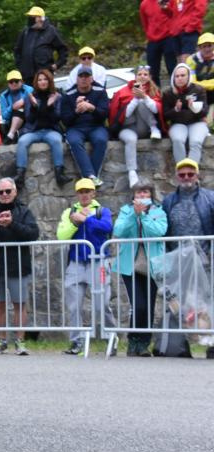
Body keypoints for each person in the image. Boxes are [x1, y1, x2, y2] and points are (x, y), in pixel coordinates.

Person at [0, 177, 39, 355]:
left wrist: (12, 224)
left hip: (18, 266)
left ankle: (20, 342)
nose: (4, 195)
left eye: (7, 191)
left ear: (15, 192)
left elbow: (33, 234)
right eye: (0, 192)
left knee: (19, 304)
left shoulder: (24, 211)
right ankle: (2, 341)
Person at [56, 178, 116, 355]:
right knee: (74, 306)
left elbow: (107, 227)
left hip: (98, 263)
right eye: (81, 192)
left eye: (87, 191)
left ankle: (110, 338)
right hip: (76, 264)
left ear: (93, 193)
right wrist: (75, 222)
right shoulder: (69, 211)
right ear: (77, 194)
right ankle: (76, 341)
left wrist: (86, 219)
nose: (84, 195)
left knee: (102, 304)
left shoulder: (102, 211)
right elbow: (61, 235)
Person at [112, 183, 168, 356]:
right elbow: (119, 231)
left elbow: (158, 231)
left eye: (145, 191)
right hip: (131, 265)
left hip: (152, 265)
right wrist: (133, 215)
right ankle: (133, 340)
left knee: (149, 306)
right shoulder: (126, 211)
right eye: (139, 192)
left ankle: (144, 343)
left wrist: (143, 215)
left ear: (151, 194)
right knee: (139, 305)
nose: (142, 194)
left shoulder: (159, 211)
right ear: (133, 195)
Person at [109, 65, 164, 188]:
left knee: (142, 104)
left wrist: (144, 97)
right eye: (140, 74)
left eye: (145, 74)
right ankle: (132, 172)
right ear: (135, 77)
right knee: (130, 140)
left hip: (144, 127)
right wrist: (135, 98)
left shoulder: (154, 90)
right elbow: (124, 114)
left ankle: (154, 127)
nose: (142, 77)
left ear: (149, 77)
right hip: (126, 128)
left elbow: (157, 110)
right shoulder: (123, 91)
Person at [15, 69, 71, 187]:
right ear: (36, 82)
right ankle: (20, 176)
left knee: (56, 141)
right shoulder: (30, 97)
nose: (42, 82)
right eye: (40, 80)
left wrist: (50, 106)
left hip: (51, 130)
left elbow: (57, 118)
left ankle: (60, 174)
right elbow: (29, 119)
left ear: (49, 81)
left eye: (45, 79)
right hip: (33, 130)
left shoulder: (57, 96)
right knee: (22, 141)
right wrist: (34, 106)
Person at [60, 68, 110, 186]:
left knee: (101, 140)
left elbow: (104, 115)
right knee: (74, 141)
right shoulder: (68, 95)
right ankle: (91, 176)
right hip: (75, 127)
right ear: (76, 79)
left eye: (87, 76)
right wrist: (76, 111)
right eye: (81, 76)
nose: (84, 79)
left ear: (92, 79)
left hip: (96, 126)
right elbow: (65, 121)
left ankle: (90, 177)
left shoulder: (100, 92)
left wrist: (91, 108)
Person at [162, 158, 214, 255]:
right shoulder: (167, 201)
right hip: (177, 258)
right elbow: (164, 230)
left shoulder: (210, 198)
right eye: (182, 175)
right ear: (177, 177)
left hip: (206, 258)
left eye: (190, 174)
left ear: (197, 176)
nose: (186, 177)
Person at [163, 63, 209, 164]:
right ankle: (182, 171)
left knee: (195, 142)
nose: (180, 78)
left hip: (197, 122)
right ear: (173, 78)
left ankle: (192, 174)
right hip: (178, 124)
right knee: (178, 140)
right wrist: (175, 109)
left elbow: (205, 111)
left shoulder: (198, 89)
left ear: (188, 76)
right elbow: (165, 116)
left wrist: (193, 108)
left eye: (183, 75)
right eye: (177, 76)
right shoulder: (168, 93)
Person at [14, 6, 68, 83]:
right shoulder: (25, 32)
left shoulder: (51, 31)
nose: (30, 19)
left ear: (40, 18)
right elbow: (17, 50)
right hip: (27, 76)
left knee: (46, 94)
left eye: (33, 17)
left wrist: (57, 64)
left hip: (45, 75)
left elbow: (62, 49)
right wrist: (21, 67)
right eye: (30, 17)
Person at [141, 0, 179, 86]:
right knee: (152, 71)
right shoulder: (144, 4)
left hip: (168, 37)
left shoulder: (169, 1)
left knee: (172, 68)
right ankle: (156, 96)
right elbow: (144, 22)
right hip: (153, 40)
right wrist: (149, 35)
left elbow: (176, 15)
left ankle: (176, 93)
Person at [0, 70, 33, 142]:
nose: (14, 83)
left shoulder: (29, 89)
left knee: (21, 108)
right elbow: (4, 116)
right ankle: (12, 134)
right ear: (8, 84)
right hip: (11, 121)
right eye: (11, 82)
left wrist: (24, 101)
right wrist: (12, 107)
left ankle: (11, 135)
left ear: (21, 81)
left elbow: (34, 104)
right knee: (18, 110)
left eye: (16, 81)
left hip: (28, 118)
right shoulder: (3, 96)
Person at [186, 32, 214, 124]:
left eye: (209, 45)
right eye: (203, 46)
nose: (207, 49)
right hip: (197, 94)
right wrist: (209, 84)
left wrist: (201, 84)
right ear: (199, 48)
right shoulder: (191, 60)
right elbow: (192, 82)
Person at [174, 0, 207, 65]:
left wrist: (191, 27)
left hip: (189, 32)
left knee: (186, 63)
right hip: (176, 32)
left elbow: (200, 9)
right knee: (180, 65)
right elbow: (173, 11)